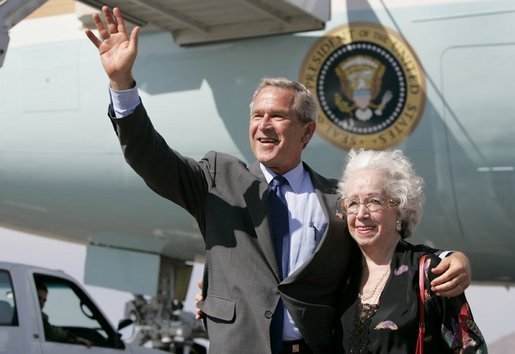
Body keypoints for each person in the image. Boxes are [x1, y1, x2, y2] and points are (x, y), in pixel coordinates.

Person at [84, 7, 472, 353]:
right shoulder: (217, 179)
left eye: (277, 117)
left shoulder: (337, 200)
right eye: (257, 116)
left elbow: (386, 248)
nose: (263, 126)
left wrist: (451, 261)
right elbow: (150, 158)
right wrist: (122, 85)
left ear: (306, 133)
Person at [335, 149, 487, 353]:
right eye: (353, 203)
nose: (361, 213)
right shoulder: (339, 273)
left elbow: (469, 346)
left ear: (400, 208)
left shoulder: (430, 272)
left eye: (374, 201)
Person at [36, 281, 93, 347]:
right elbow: (53, 332)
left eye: (44, 300)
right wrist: (76, 338)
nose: (41, 303)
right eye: (38, 298)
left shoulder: (39, 317)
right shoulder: (35, 318)